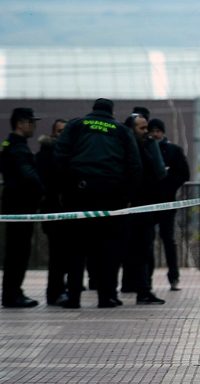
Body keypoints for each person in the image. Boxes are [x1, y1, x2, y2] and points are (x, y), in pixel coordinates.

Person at [53, 98, 142, 308]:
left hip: (79, 191)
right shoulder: (121, 130)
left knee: (76, 247)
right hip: (111, 194)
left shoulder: (76, 125)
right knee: (108, 248)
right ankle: (106, 296)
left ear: (92, 110)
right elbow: (135, 165)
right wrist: (128, 195)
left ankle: (73, 297)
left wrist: (62, 189)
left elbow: (60, 156)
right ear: (111, 112)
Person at [0, 107, 44, 308]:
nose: (34, 126)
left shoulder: (8, 144)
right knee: (18, 251)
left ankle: (13, 292)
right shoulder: (17, 147)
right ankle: (12, 294)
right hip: (19, 205)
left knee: (15, 251)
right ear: (20, 123)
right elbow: (27, 175)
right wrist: (42, 190)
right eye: (31, 121)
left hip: (13, 203)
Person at [120, 113, 167, 305]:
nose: (147, 132)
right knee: (129, 251)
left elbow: (157, 172)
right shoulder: (128, 149)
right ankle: (127, 289)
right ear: (131, 129)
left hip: (145, 208)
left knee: (143, 253)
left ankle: (143, 289)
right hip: (133, 208)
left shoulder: (145, 145)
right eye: (142, 128)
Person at [148, 118, 190, 291]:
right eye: (153, 131)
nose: (156, 134)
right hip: (148, 203)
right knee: (147, 241)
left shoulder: (173, 151)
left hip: (166, 202)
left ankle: (173, 276)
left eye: (158, 131)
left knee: (168, 240)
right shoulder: (145, 149)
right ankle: (146, 279)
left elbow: (183, 173)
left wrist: (167, 185)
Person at [37, 118, 69, 305]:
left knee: (64, 256)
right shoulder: (46, 156)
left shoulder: (68, 153)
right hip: (54, 213)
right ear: (53, 134)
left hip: (67, 213)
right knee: (58, 255)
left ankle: (59, 290)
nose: (63, 135)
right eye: (60, 131)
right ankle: (55, 292)